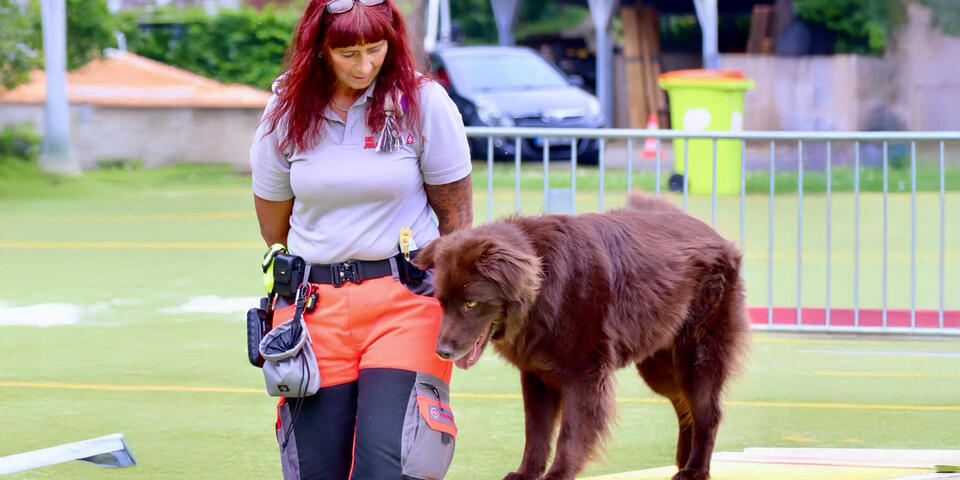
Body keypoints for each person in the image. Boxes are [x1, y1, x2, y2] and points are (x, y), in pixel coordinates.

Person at [248, 0, 473, 478]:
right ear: (319, 50)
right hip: (314, 310)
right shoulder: (284, 110)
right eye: (348, 53)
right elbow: (274, 227)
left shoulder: (424, 103)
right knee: (316, 469)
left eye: (375, 49)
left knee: (390, 465)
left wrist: (465, 309)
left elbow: (457, 221)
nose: (365, 64)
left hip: (406, 302)